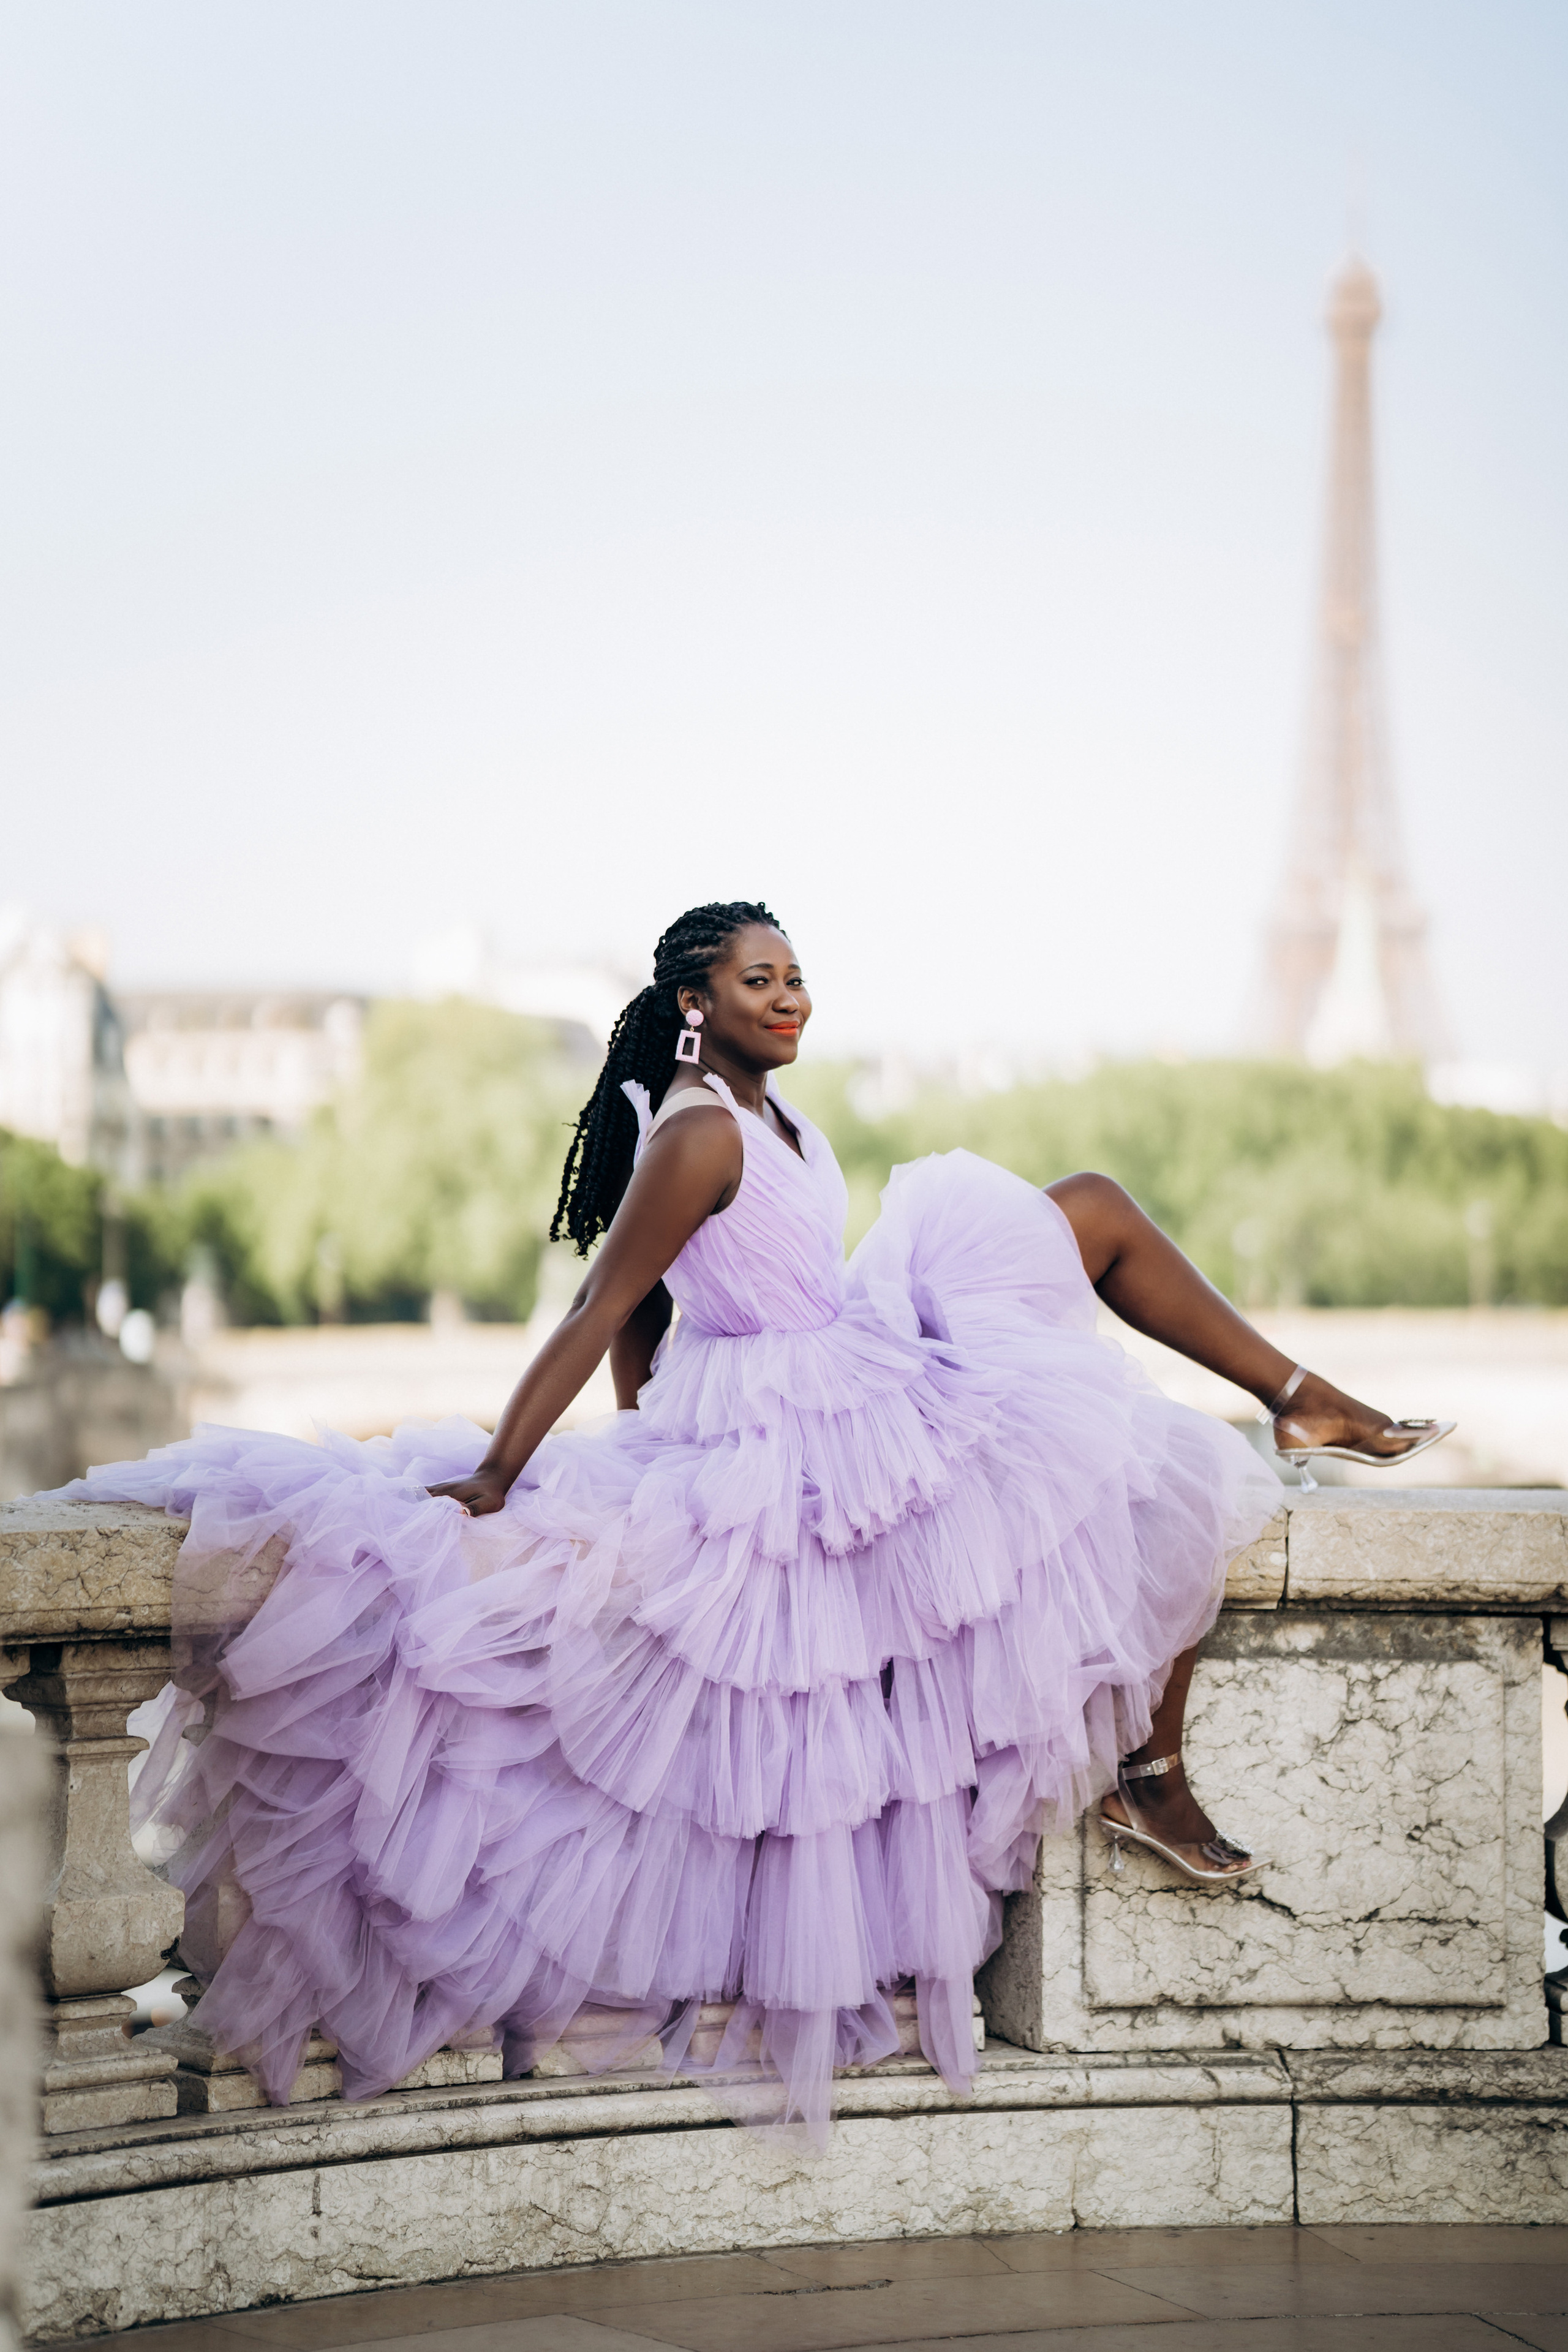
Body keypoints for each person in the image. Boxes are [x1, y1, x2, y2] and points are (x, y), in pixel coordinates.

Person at [56, 899, 1451, 2140]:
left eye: (796, 976)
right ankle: (1154, 1758)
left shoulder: (777, 1118)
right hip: (799, 1421)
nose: (788, 997)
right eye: (758, 980)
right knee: (1132, 1458)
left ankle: (1296, 1400)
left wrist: (651, 1417)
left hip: (838, 1365)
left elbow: (663, 1315)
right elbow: (609, 1302)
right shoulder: (701, 1131)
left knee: (1088, 1243)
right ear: (692, 1005)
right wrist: (499, 1475)